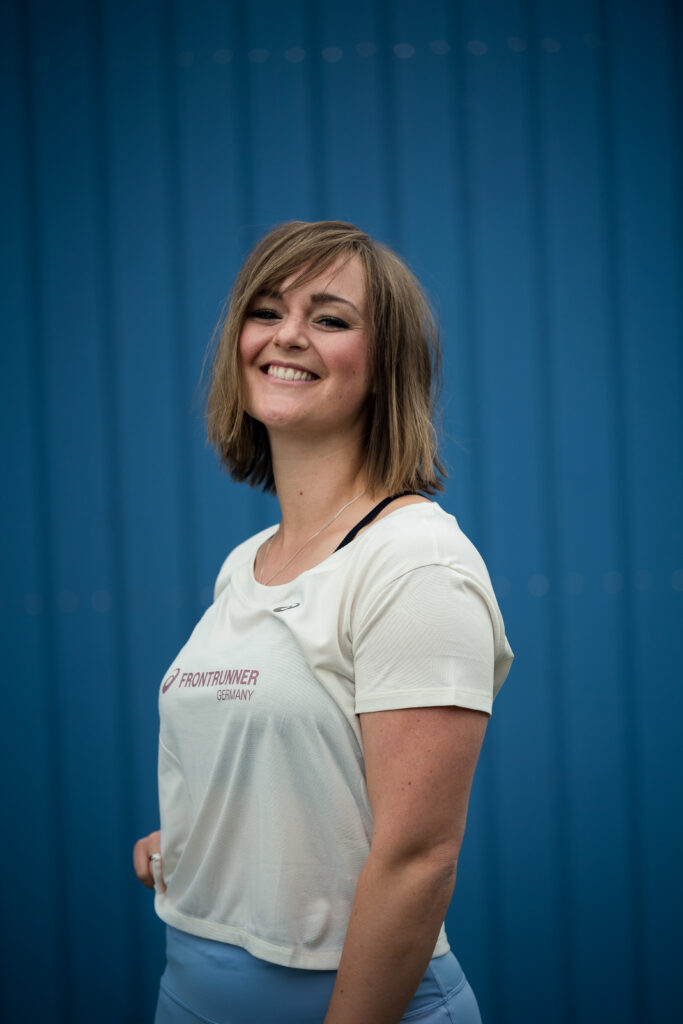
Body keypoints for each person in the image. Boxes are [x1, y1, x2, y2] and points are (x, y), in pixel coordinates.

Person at [133, 220, 514, 1024]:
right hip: (188, 991)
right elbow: (289, 764)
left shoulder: (414, 564)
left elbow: (417, 860)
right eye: (266, 310)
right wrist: (210, 845)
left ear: (385, 368)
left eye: (330, 318)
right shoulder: (247, 563)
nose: (288, 335)